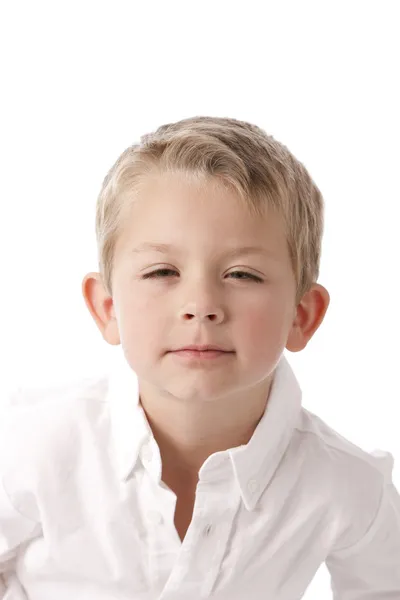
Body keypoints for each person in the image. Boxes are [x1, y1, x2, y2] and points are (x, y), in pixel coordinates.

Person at [1, 116, 399, 599]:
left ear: (302, 315)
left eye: (242, 274)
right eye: (163, 270)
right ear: (108, 308)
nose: (202, 304)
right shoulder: (33, 450)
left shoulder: (344, 486)